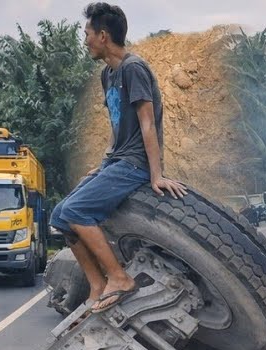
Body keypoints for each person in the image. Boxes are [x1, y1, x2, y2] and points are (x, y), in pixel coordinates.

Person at [50, 3, 187, 315]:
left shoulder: (133, 68)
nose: (84, 40)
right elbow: (116, 123)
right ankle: (97, 285)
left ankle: (120, 278)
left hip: (135, 163)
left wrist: (156, 175)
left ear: (102, 35)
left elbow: (147, 123)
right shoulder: (108, 74)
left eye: (86, 34)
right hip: (118, 161)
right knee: (60, 216)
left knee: (76, 211)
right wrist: (103, 163)